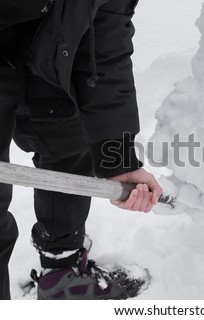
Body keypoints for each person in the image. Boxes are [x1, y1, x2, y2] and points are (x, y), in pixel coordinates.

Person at [0, 0, 162, 300]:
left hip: (42, 43)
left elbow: (104, 44)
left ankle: (61, 271)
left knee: (67, 140)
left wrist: (119, 158)